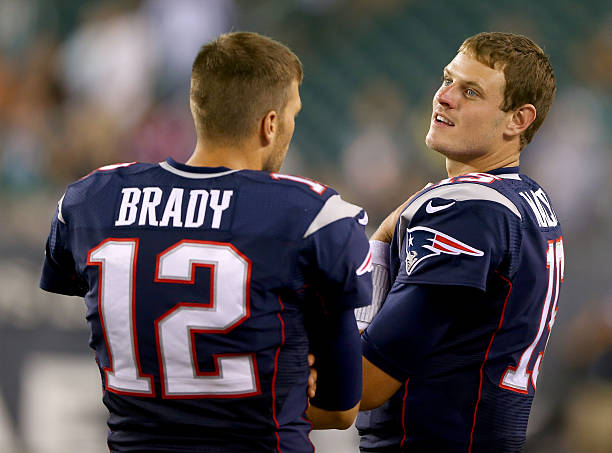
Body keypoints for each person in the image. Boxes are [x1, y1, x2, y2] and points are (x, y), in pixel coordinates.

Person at [40, 31, 372, 453]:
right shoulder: (314, 215)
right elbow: (341, 410)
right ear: (270, 124)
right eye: (292, 114)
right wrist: (280, 378)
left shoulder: (90, 199)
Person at [354, 32, 564, 452]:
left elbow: (361, 384)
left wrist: (375, 248)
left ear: (518, 120)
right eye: (447, 79)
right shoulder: (527, 198)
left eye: (470, 91)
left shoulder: (465, 209)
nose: (444, 98)